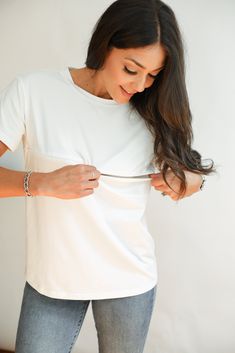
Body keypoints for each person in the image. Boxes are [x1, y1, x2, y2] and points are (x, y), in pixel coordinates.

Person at [0, 0, 215, 352]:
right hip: (52, 283)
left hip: (129, 283)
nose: (141, 85)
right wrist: (40, 183)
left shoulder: (152, 110)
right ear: (105, 45)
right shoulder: (33, 91)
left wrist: (190, 183)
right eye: (131, 69)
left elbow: (191, 176)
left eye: (153, 75)